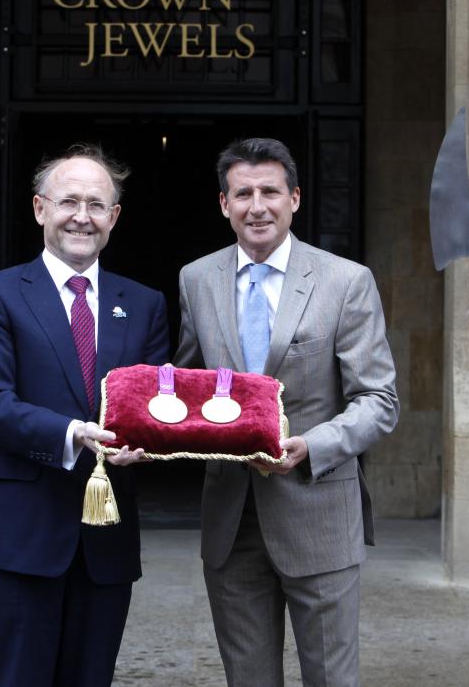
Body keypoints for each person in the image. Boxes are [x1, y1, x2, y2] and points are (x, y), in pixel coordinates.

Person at [175, 137, 400, 686]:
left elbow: (379, 400)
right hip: (230, 519)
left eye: (270, 191)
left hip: (317, 511)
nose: (258, 205)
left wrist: (311, 447)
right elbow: (185, 386)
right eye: (243, 193)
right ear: (223, 204)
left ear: (294, 198)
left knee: (330, 679)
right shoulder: (196, 279)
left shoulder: (345, 281)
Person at [0, 144, 169, 686]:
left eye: (97, 204)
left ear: (114, 218)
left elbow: (155, 402)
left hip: (106, 537)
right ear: (39, 208)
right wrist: (74, 434)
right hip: (17, 530)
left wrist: (148, 440)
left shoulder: (144, 303)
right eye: (68, 201)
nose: (82, 216)